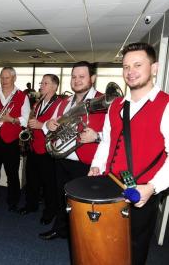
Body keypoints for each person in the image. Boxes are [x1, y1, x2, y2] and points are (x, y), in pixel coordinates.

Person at [89, 42, 169, 265]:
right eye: (125, 67)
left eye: (137, 65)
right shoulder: (115, 106)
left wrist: (152, 188)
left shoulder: (166, 105)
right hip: (111, 184)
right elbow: (106, 141)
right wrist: (97, 164)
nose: (130, 72)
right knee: (107, 240)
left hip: (142, 191)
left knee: (134, 247)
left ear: (154, 68)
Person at [39, 61, 106, 240]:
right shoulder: (64, 102)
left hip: (86, 163)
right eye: (74, 77)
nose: (76, 80)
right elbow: (49, 124)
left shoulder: (104, 101)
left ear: (92, 78)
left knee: (84, 204)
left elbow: (116, 134)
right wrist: (49, 124)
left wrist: (97, 136)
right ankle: (60, 229)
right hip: (62, 159)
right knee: (62, 198)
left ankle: (83, 238)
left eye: (81, 76)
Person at [0, 67, 30, 211]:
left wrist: (11, 119)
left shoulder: (22, 96)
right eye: (2, 77)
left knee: (12, 173)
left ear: (14, 78)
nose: (4, 81)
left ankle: (13, 200)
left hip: (11, 140)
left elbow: (26, 119)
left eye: (7, 78)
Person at [19, 74, 62, 226]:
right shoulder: (38, 103)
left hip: (48, 149)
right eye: (41, 83)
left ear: (54, 86)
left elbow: (59, 126)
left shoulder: (60, 103)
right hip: (34, 146)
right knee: (31, 180)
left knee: (49, 184)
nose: (41, 85)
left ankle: (50, 212)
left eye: (45, 83)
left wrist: (40, 124)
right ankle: (31, 205)